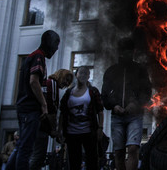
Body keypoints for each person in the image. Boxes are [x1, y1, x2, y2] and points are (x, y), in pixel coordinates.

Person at [8, 30, 60, 170]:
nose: (57, 48)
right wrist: (43, 104)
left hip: (24, 108)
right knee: (25, 148)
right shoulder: (38, 57)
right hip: (30, 109)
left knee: (20, 146)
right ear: (50, 43)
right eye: (56, 44)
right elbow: (33, 81)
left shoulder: (32, 56)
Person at [101, 39, 152, 170]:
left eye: (130, 51)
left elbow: (146, 92)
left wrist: (136, 103)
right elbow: (105, 95)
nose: (128, 54)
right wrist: (114, 106)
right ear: (120, 52)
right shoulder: (111, 71)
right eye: (125, 51)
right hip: (117, 117)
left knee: (133, 148)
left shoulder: (140, 70)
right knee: (118, 152)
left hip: (135, 116)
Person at [59, 66, 104, 170]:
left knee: (92, 161)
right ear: (76, 75)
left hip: (89, 132)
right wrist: (60, 130)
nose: (83, 75)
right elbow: (63, 112)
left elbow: (100, 111)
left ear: (88, 76)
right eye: (81, 73)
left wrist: (100, 128)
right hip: (71, 133)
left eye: (86, 73)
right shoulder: (69, 93)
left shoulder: (92, 91)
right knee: (74, 162)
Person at [29, 69, 73, 170]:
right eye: (66, 79)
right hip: (41, 125)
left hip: (35, 122)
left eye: (68, 82)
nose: (66, 83)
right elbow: (52, 107)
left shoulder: (45, 83)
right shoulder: (52, 83)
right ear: (60, 75)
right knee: (38, 155)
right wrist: (53, 130)